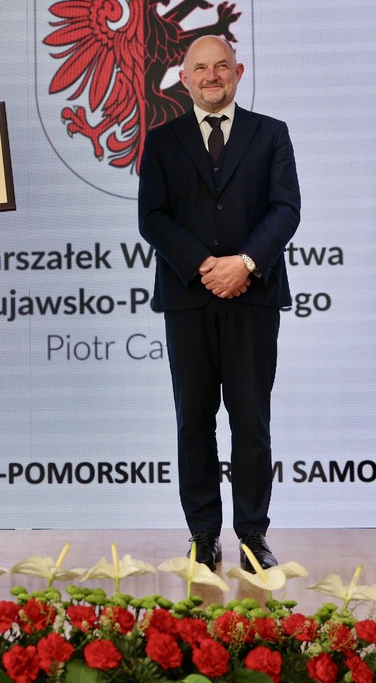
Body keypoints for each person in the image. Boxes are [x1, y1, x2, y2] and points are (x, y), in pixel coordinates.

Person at [138, 35, 301, 571]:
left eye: (222, 67)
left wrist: (245, 263)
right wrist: (206, 266)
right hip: (189, 298)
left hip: (254, 297)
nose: (212, 76)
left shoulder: (271, 133)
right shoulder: (161, 141)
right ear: (183, 79)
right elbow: (152, 217)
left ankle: (253, 536)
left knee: (251, 420)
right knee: (194, 421)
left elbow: (286, 209)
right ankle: (203, 535)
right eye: (201, 68)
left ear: (239, 72)